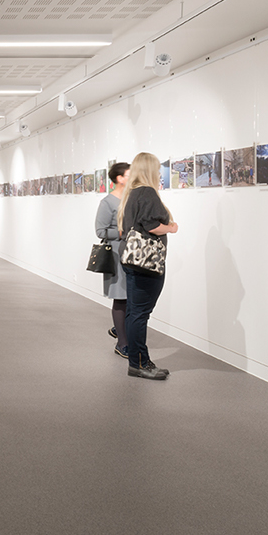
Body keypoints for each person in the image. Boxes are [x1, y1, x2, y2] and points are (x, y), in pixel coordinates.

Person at [118, 151, 178, 381]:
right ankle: (139, 364)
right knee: (140, 314)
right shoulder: (147, 192)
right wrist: (171, 227)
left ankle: (141, 360)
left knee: (135, 312)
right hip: (146, 264)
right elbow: (153, 226)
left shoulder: (131, 193)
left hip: (132, 261)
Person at [94, 162, 130, 359]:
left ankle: (120, 329)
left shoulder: (131, 198)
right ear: (119, 178)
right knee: (120, 296)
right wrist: (122, 232)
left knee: (131, 297)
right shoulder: (107, 203)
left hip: (132, 254)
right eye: (129, 174)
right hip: (116, 254)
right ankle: (122, 343)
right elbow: (100, 231)